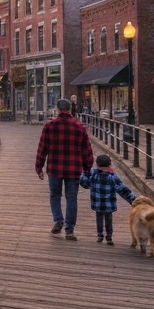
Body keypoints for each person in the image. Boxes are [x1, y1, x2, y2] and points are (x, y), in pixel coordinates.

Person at [35, 97, 95, 240]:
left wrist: (39, 167)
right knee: (71, 198)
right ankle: (69, 229)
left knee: (55, 195)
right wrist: (87, 167)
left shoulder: (49, 126)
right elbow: (87, 150)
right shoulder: (79, 127)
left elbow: (42, 148)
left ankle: (58, 220)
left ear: (57, 109)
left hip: (54, 168)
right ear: (69, 110)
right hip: (73, 169)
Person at [79, 154, 136, 245]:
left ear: (97, 164)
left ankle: (100, 235)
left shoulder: (93, 175)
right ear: (109, 165)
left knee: (99, 218)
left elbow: (85, 184)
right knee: (109, 219)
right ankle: (109, 236)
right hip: (109, 204)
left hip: (97, 203)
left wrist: (85, 173)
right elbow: (122, 189)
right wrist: (132, 199)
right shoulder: (113, 176)